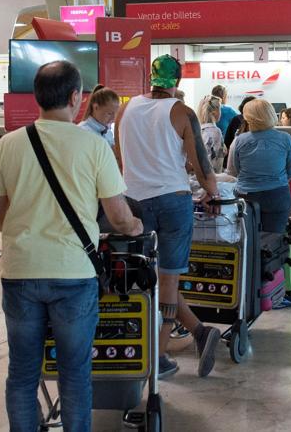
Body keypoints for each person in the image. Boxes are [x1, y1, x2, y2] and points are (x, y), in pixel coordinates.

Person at [0, 61, 142, 432]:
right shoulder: (94, 146)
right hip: (75, 275)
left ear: (37, 97)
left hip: (21, 273)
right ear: (76, 98)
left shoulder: (8, 145)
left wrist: (28, 233)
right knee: (74, 374)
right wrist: (135, 225)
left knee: (22, 373)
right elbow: (119, 217)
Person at [114, 55, 222, 379]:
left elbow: (120, 158)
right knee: (169, 280)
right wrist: (213, 193)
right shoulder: (182, 112)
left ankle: (199, 334)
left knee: (145, 280)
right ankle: (160, 356)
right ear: (178, 81)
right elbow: (202, 166)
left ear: (149, 77)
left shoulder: (125, 110)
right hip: (173, 202)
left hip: (133, 202)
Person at [227, 99, 291, 306]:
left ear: (249, 118)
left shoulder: (239, 141)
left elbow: (232, 171)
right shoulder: (285, 139)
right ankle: (275, 294)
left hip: (247, 198)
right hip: (277, 197)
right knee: (275, 245)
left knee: (249, 245)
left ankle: (249, 293)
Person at [195, 94, 227, 174]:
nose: (221, 112)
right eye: (220, 109)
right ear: (214, 112)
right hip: (211, 176)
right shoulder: (215, 131)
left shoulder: (198, 129)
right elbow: (217, 163)